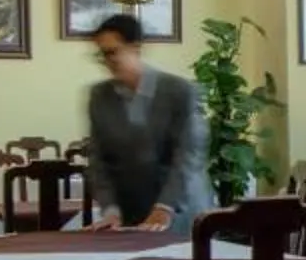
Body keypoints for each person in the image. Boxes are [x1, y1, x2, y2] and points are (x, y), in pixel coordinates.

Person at [83, 12, 212, 231]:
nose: (108, 60)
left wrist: (165, 207)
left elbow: (188, 155)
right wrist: (111, 209)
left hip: (181, 210)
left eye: (113, 52)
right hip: (131, 214)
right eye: (102, 55)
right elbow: (98, 161)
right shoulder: (100, 96)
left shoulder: (179, 91)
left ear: (135, 47)